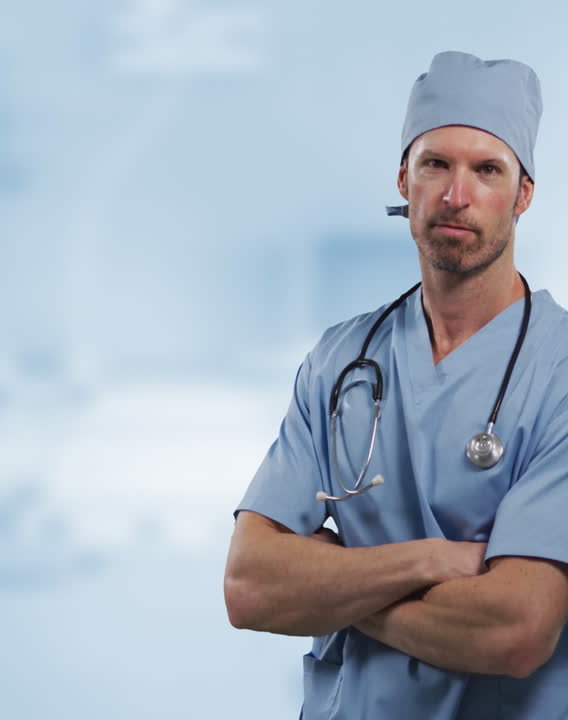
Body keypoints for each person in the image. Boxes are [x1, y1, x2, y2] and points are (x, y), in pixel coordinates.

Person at [224, 51, 568, 718]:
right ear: (405, 181)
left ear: (523, 195)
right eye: (435, 164)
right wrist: (435, 560)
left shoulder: (560, 372)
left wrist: (335, 587)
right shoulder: (339, 360)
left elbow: (517, 628)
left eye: (486, 170)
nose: (455, 195)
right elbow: (249, 587)